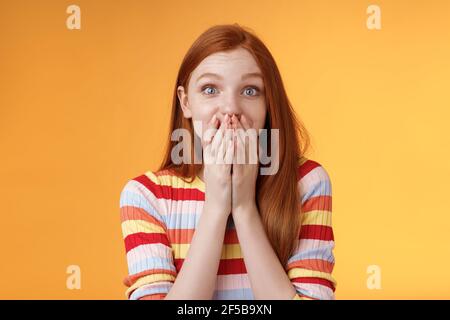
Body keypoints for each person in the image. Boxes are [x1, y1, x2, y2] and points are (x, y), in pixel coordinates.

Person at [119, 23, 337, 300]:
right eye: (210, 89)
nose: (231, 108)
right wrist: (216, 206)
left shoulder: (307, 183)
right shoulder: (146, 196)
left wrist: (244, 207)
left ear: (268, 102)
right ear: (186, 102)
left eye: (250, 91)